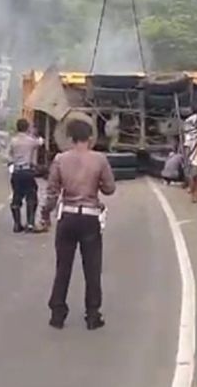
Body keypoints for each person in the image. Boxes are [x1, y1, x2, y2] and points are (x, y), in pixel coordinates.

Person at [40, 119, 116, 330]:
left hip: (68, 217)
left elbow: (52, 191)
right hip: (90, 217)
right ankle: (92, 315)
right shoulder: (99, 160)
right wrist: (97, 183)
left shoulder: (60, 159)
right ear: (90, 138)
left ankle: (57, 313)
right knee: (92, 268)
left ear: (70, 138)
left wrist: (45, 215)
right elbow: (110, 188)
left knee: (63, 267)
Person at [8, 119, 43, 232]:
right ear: (27, 128)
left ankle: (17, 224)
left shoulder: (13, 141)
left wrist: (13, 161)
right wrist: (35, 133)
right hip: (27, 171)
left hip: (17, 171)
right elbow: (41, 142)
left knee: (16, 198)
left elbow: (8, 155)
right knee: (31, 197)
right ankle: (30, 223)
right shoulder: (30, 141)